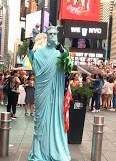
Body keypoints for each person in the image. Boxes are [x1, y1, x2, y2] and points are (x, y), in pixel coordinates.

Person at [28, 25, 71, 160]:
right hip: (42, 91)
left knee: (55, 120)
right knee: (40, 120)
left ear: (57, 35)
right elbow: (33, 62)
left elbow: (68, 64)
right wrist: (30, 48)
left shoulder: (60, 53)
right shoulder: (40, 52)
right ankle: (39, 152)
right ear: (47, 35)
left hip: (56, 92)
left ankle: (55, 150)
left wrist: (63, 50)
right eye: (50, 34)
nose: (53, 36)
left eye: (54, 34)